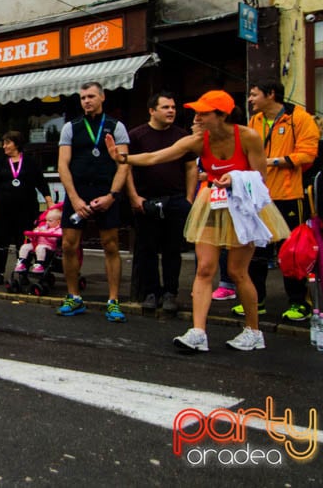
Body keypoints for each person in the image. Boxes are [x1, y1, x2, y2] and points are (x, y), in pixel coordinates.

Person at [106, 90, 290, 351]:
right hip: (212, 205)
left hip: (243, 208)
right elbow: (158, 156)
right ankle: (198, 331)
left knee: (238, 272)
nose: (197, 117)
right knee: (204, 269)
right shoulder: (197, 140)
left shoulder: (248, 137)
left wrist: (235, 179)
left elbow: (260, 178)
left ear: (222, 115)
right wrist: (122, 158)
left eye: (204, 113)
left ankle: (254, 331)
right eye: (196, 112)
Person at [228, 80, 319, 322]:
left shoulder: (298, 117)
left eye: (254, 94)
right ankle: (256, 301)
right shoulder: (255, 121)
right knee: (256, 251)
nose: (249, 99)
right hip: (259, 197)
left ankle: (299, 303)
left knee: (291, 252)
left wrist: (273, 161)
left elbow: (308, 153)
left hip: (289, 196)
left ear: (270, 95)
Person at [57, 82, 130, 322]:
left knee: (110, 245)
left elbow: (123, 164)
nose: (86, 101)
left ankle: (113, 301)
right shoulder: (71, 127)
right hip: (77, 192)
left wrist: (112, 196)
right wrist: (75, 199)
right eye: (82, 98)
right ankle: (74, 297)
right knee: (69, 244)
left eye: (90, 96)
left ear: (102, 97)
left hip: (106, 192)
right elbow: (62, 165)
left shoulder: (116, 126)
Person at [124, 92, 196, 314]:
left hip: (175, 201)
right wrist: (134, 197)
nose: (171, 111)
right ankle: (151, 293)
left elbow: (191, 167)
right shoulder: (136, 135)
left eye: (173, 107)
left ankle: (170, 293)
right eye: (165, 107)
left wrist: (189, 199)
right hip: (146, 201)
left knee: (172, 250)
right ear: (152, 110)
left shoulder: (182, 136)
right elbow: (125, 166)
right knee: (147, 250)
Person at [0, 130, 54, 287]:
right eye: (3, 143)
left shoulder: (30, 162)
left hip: (26, 210)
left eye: (7, 142)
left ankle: (23, 272)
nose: (4, 146)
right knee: (1, 241)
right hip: (1, 209)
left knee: (24, 242)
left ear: (17, 144)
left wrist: (50, 203)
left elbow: (41, 183)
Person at [14, 207, 63, 275]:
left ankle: (40, 264)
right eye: (46, 220)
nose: (47, 222)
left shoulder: (58, 230)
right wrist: (34, 234)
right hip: (38, 244)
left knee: (40, 248)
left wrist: (44, 232)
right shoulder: (44, 227)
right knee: (24, 247)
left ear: (58, 222)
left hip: (50, 246)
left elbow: (54, 239)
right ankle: (21, 262)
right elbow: (36, 235)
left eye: (50, 221)